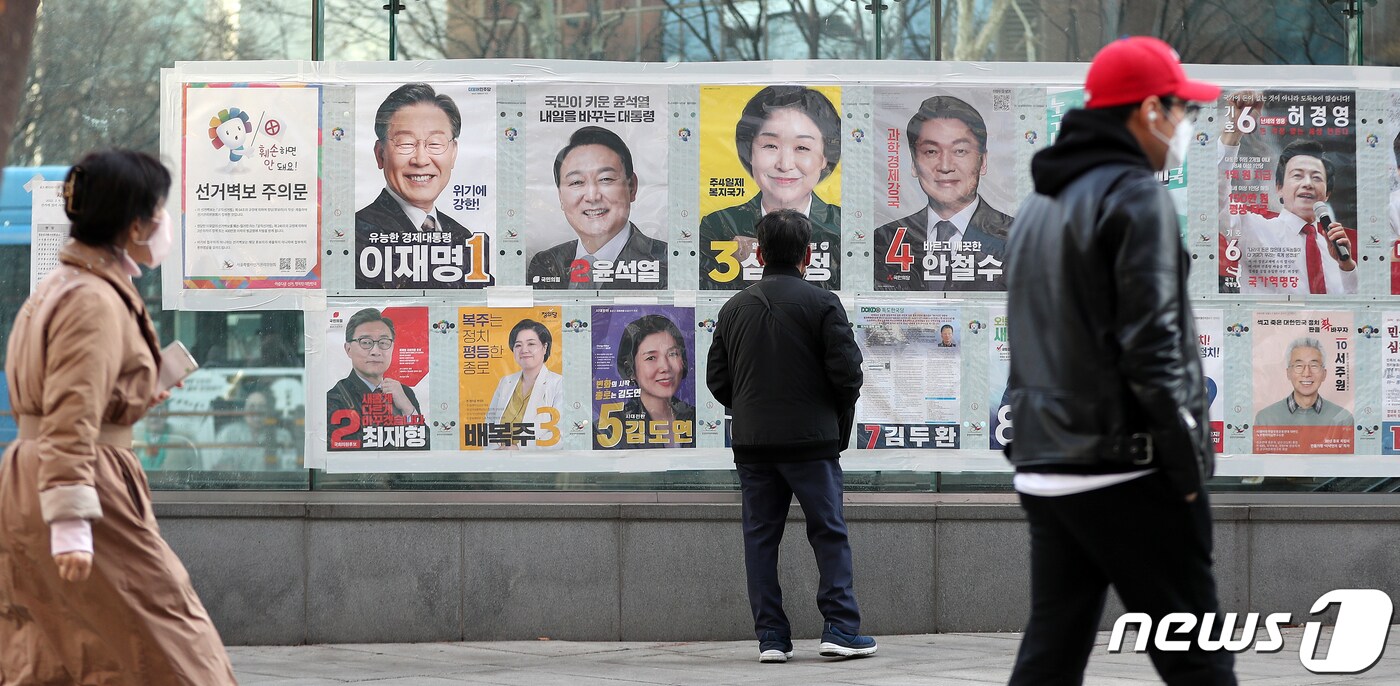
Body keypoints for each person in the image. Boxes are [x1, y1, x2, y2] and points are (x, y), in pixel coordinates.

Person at [1003, 37, 1235, 684]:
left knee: (1051, 651)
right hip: (1127, 468)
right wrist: (1186, 465)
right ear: (1147, 112)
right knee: (1198, 654)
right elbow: (1153, 348)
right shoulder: (1137, 196)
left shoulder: (1036, 205)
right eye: (1181, 110)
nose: (1186, 125)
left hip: (1048, 467)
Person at [0, 150, 236, 683]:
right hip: (87, 485)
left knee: (55, 644)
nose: (163, 222)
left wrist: (132, 393)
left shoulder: (64, 285)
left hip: (46, 476)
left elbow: (70, 398)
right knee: (172, 642)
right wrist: (70, 523)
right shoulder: (93, 298)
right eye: (158, 209)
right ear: (133, 223)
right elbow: (70, 413)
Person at [706, 209, 874, 663]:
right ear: (809, 254)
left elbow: (718, 381)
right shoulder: (823, 304)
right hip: (813, 443)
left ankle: (772, 640)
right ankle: (840, 628)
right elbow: (848, 375)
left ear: (758, 254)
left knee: (761, 538)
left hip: (754, 446)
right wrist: (832, 417)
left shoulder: (733, 308)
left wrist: (751, 409)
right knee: (828, 532)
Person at [699, 86, 842, 290]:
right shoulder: (718, 227)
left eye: (802, 148)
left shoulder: (843, 228)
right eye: (770, 146)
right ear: (749, 152)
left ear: (825, 158)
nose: (785, 164)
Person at [1219, 92, 1356, 295]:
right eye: (1298, 176)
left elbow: (1359, 310)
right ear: (1279, 188)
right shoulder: (1253, 228)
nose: (1308, 184)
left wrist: (1346, 266)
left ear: (1327, 194)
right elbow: (1214, 198)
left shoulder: (1336, 251)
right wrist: (1234, 132)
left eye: (1317, 177)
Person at [873, 95, 1013, 291]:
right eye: (931, 152)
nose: (945, 166)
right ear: (914, 163)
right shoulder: (884, 239)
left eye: (960, 151)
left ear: (983, 161)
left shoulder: (1017, 237)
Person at [356, 82, 489, 288]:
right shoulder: (356, 236)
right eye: (406, 143)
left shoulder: (465, 238)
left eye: (435, 144)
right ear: (380, 153)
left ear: (453, 153)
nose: (421, 159)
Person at [527, 126, 668, 289]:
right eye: (577, 182)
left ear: (632, 187)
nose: (592, 196)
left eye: (605, 179)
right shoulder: (546, 264)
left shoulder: (667, 263)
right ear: (560, 196)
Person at [326, 307, 425, 449]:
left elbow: (425, 446)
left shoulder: (405, 394)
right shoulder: (336, 398)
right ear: (348, 349)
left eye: (383, 343)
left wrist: (408, 408)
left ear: (392, 348)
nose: (376, 351)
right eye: (366, 342)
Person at [613, 314, 696, 449]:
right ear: (630, 369)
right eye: (651, 358)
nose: (665, 367)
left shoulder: (699, 419)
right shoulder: (610, 427)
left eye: (673, 354)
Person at [483, 319, 564, 448]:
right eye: (518, 345)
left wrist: (520, 449)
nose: (524, 350)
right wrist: (497, 449)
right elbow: (489, 422)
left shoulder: (559, 384)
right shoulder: (505, 382)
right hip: (500, 461)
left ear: (545, 347)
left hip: (537, 464)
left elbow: (561, 433)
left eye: (531, 344)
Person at [1254, 337, 1354, 427]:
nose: (1306, 373)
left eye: (1314, 366)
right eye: (1299, 366)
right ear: (1288, 373)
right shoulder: (1265, 419)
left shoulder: (1343, 419)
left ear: (1324, 374)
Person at [211, 391, 299, 470]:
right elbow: (220, 468)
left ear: (269, 411)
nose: (256, 411)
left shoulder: (282, 437)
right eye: (251, 406)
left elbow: (288, 469)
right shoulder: (228, 434)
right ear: (244, 410)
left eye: (262, 406)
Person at [134, 405, 201, 471]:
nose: (154, 418)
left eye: (158, 410)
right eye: (148, 410)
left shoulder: (184, 439)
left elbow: (197, 471)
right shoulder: (134, 439)